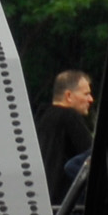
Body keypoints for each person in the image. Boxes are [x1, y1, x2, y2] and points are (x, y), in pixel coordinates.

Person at [35, 68, 93, 203]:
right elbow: (91, 159)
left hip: (43, 202)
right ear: (68, 96)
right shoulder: (69, 116)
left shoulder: (41, 118)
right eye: (86, 94)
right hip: (63, 206)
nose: (91, 99)